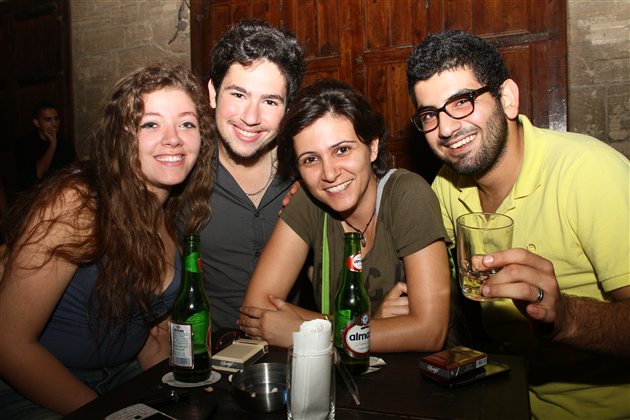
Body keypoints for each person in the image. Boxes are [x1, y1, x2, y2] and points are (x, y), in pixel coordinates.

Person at [406, 30, 630, 419]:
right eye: (430, 114)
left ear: (507, 98)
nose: (445, 129)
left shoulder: (588, 172)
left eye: (461, 102)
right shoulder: (446, 187)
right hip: (502, 398)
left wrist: (565, 317)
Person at [0, 64, 214, 418]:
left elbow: (148, 336)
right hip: (39, 387)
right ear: (121, 136)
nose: (173, 138)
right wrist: (107, 413)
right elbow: (9, 344)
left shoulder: (172, 213)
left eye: (187, 124)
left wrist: (190, 394)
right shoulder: (78, 204)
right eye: (151, 124)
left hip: (120, 377)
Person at [239, 79, 455, 352]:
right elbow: (255, 312)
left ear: (372, 147)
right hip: (343, 375)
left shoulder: (407, 195)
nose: (329, 173)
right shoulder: (308, 201)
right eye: (310, 159)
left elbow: (430, 331)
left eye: (342, 150)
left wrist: (307, 330)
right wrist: (373, 324)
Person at [199, 19, 307, 337]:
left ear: (288, 109)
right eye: (238, 94)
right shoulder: (180, 176)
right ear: (213, 93)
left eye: (270, 101)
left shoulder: (309, 176)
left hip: (293, 352)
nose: (250, 117)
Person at [15, 101, 76, 192]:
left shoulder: (65, 143)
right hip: (35, 193)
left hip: (61, 191)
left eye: (56, 119)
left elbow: (74, 169)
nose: (54, 123)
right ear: (37, 123)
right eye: (48, 120)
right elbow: (38, 174)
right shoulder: (25, 144)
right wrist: (52, 145)